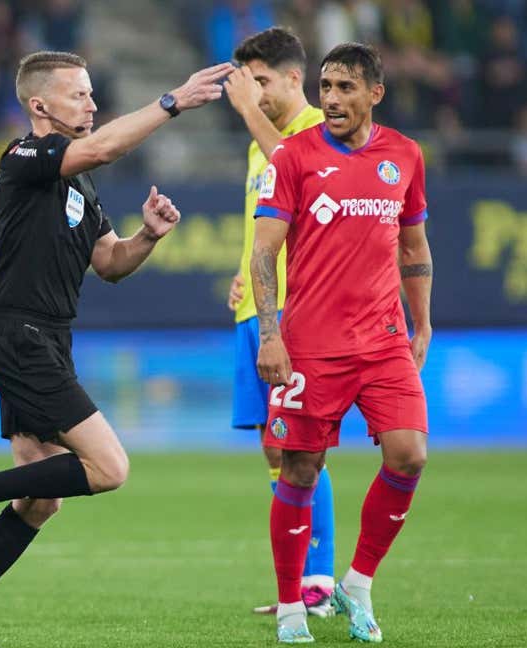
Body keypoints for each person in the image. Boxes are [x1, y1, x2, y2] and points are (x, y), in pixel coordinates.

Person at [0, 51, 234, 648]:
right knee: (109, 468)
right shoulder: (25, 157)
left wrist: (147, 236)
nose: (91, 104)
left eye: (92, 95)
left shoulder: (77, 183)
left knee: (42, 500)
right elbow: (105, 148)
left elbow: (111, 263)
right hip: (18, 333)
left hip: (49, 339)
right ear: (40, 106)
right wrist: (171, 101)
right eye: (79, 95)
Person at [251, 42, 432, 644]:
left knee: (409, 455)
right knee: (300, 470)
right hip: (312, 345)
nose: (331, 99)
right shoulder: (294, 157)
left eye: (345, 88)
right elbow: (263, 253)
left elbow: (413, 249)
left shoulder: (404, 156)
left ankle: (358, 583)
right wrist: (271, 336)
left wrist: (422, 324)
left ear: (375, 93)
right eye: (325, 87)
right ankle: (289, 608)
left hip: (383, 340)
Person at [222, 26, 336, 618]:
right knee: (274, 449)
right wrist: (245, 275)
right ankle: (300, 584)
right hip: (257, 310)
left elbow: (307, 177)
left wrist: (249, 113)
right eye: (247, 82)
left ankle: (319, 583)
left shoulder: (318, 129)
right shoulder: (255, 145)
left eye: (262, 81)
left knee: (304, 449)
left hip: (299, 313)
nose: (253, 92)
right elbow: (269, 225)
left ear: (296, 77)